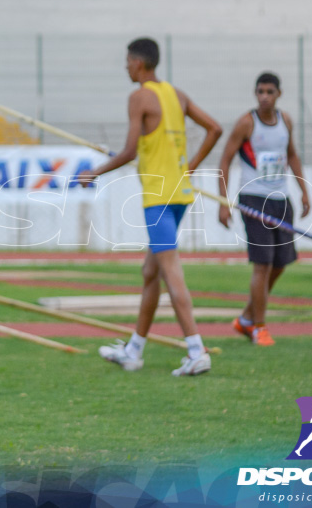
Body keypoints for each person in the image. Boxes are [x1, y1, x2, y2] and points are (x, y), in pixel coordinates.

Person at [77, 38, 223, 376]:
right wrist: (192, 165)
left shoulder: (139, 96)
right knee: (151, 273)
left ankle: (196, 350)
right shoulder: (177, 94)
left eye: (128, 61)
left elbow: (129, 152)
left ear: (139, 62)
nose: (126, 67)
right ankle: (134, 350)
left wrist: (94, 173)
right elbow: (214, 128)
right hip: (180, 194)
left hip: (158, 196)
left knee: (171, 272)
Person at [216, 72, 310, 347]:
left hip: (281, 199)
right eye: (260, 92)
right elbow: (225, 160)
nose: (264, 97)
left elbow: (291, 154)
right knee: (263, 264)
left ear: (279, 94)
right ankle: (259, 327)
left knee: (281, 263)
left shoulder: (286, 121)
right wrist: (224, 202)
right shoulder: (247, 123)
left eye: (269, 91)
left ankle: (246, 317)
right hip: (253, 199)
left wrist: (303, 190)